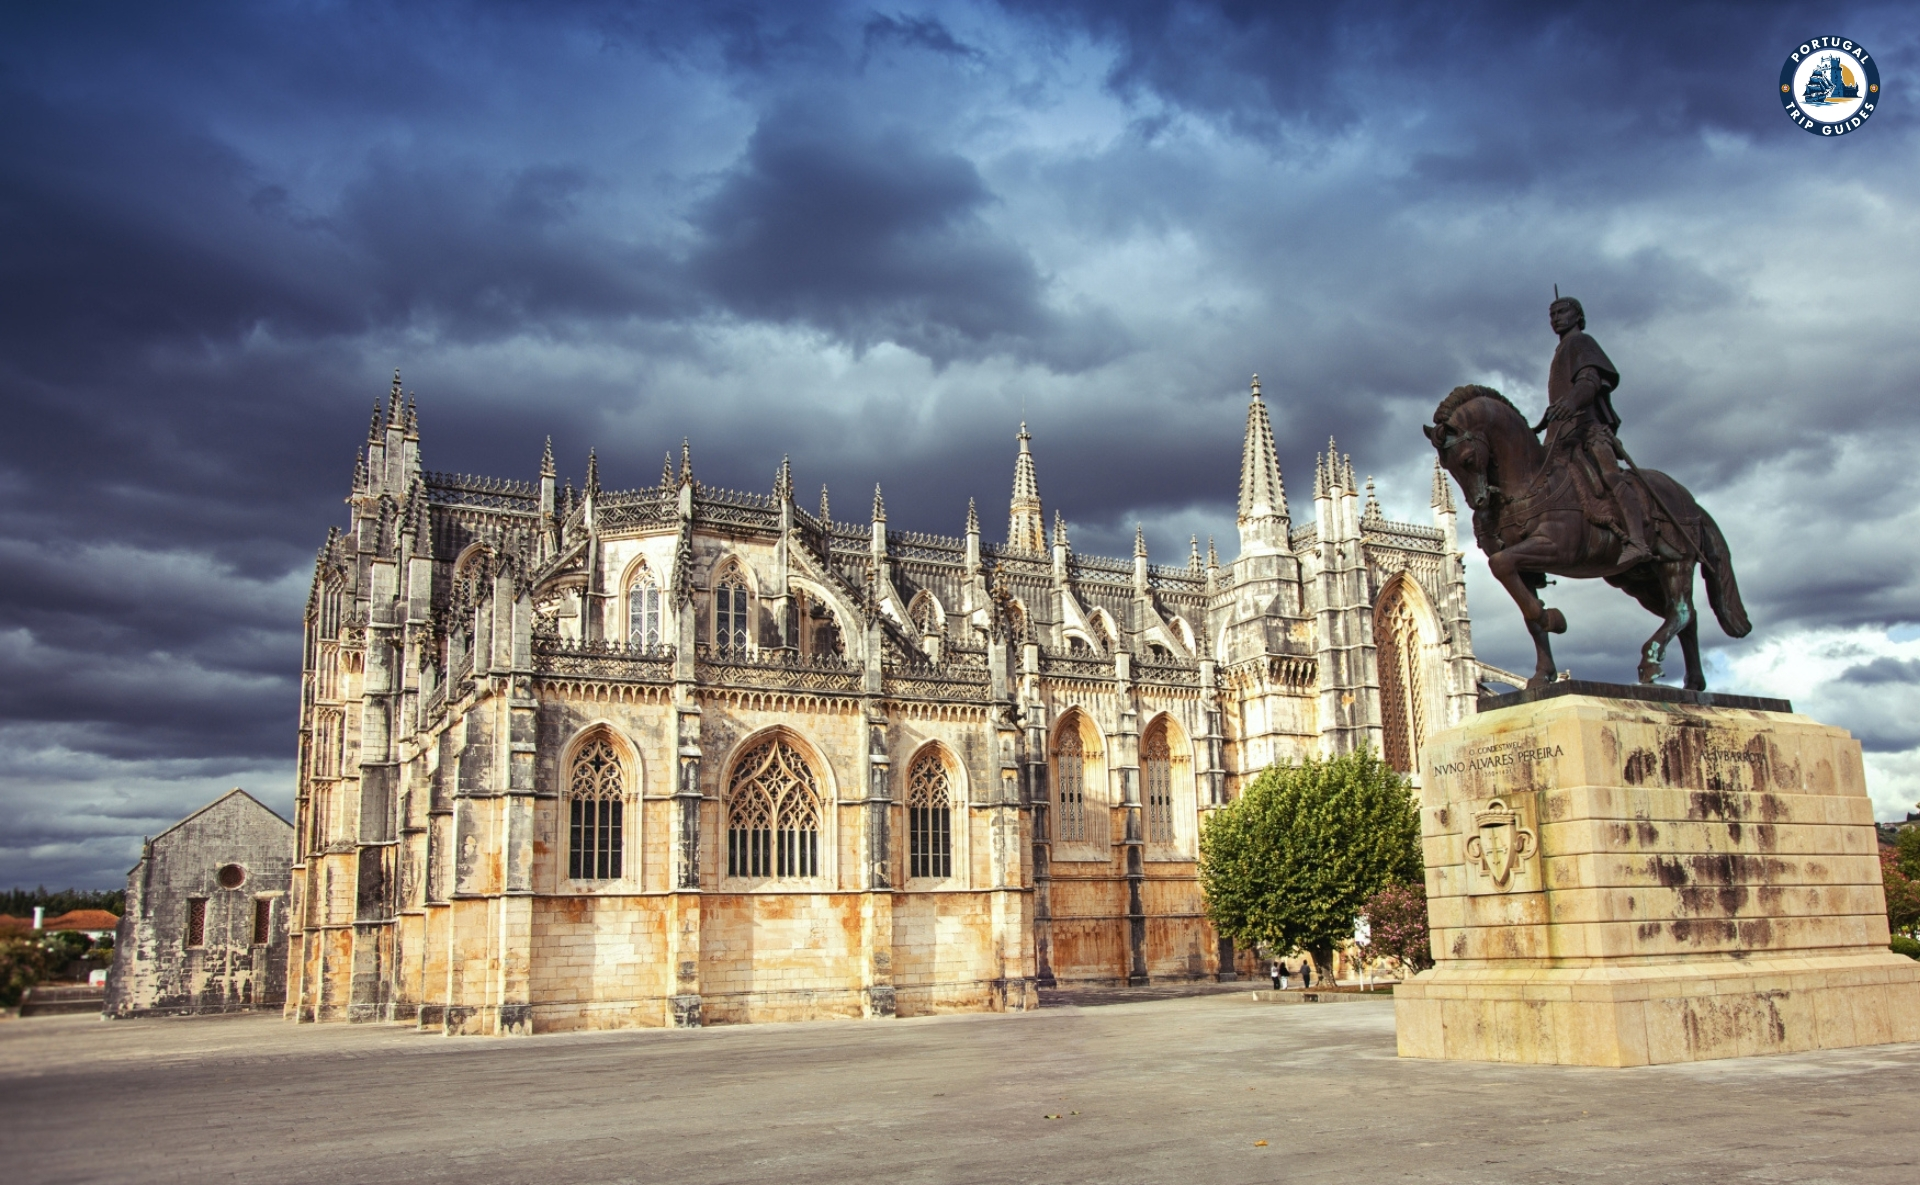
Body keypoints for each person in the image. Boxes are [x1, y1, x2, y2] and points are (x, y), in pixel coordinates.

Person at [1536, 295, 1653, 567]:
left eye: (1562, 312)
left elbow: (1590, 382)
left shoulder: (1582, 343)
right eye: (1552, 314)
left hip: (1588, 428)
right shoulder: (1561, 351)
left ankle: (1637, 540)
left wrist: (1569, 403)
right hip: (1561, 434)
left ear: (1578, 316)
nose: (1556, 318)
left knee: (1610, 475)